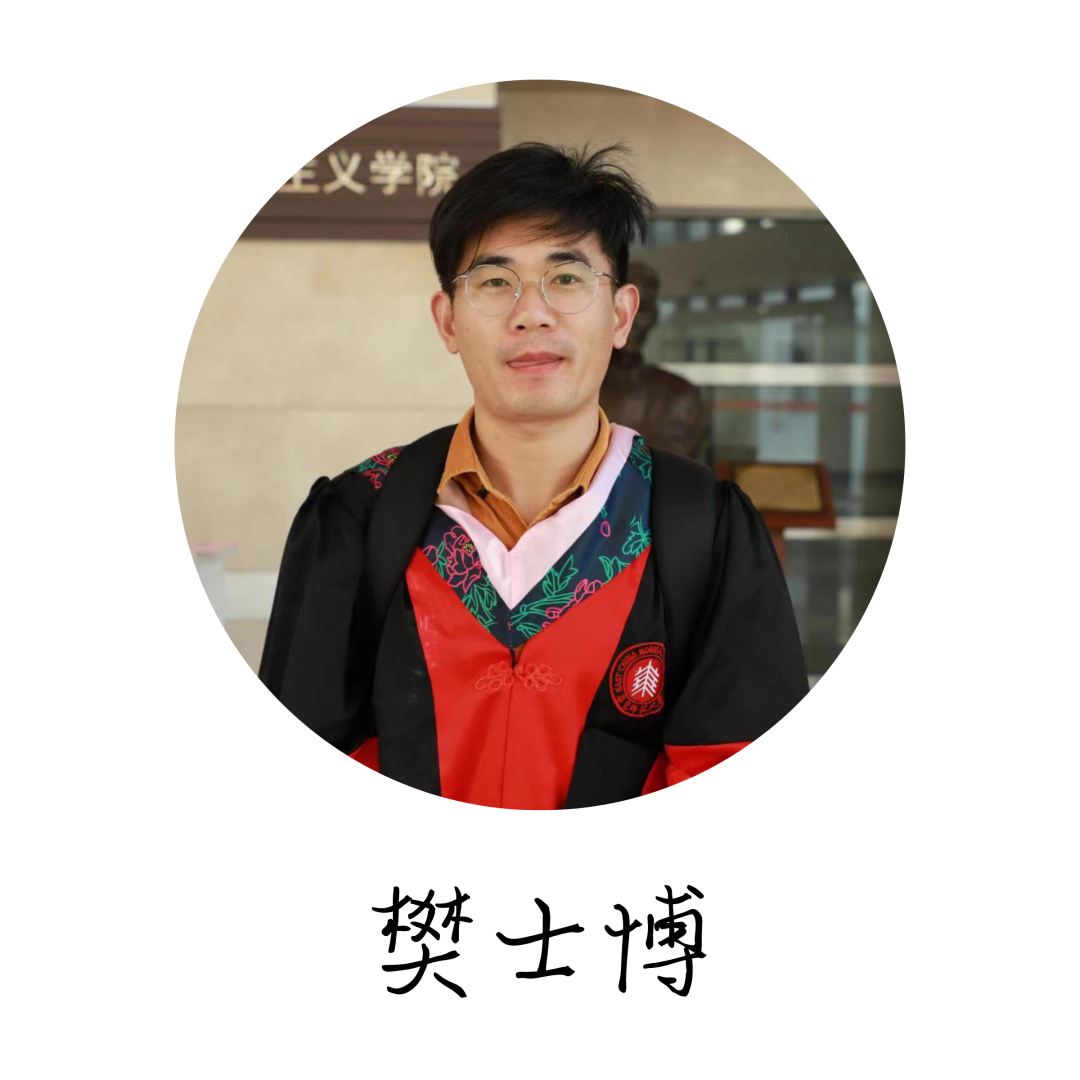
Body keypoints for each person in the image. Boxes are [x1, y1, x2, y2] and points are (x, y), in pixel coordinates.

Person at [259, 142, 807, 810]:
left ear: (621, 315)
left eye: (566, 278)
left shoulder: (704, 529)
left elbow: (735, 772)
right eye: (495, 282)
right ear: (448, 320)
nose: (532, 313)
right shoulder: (360, 515)